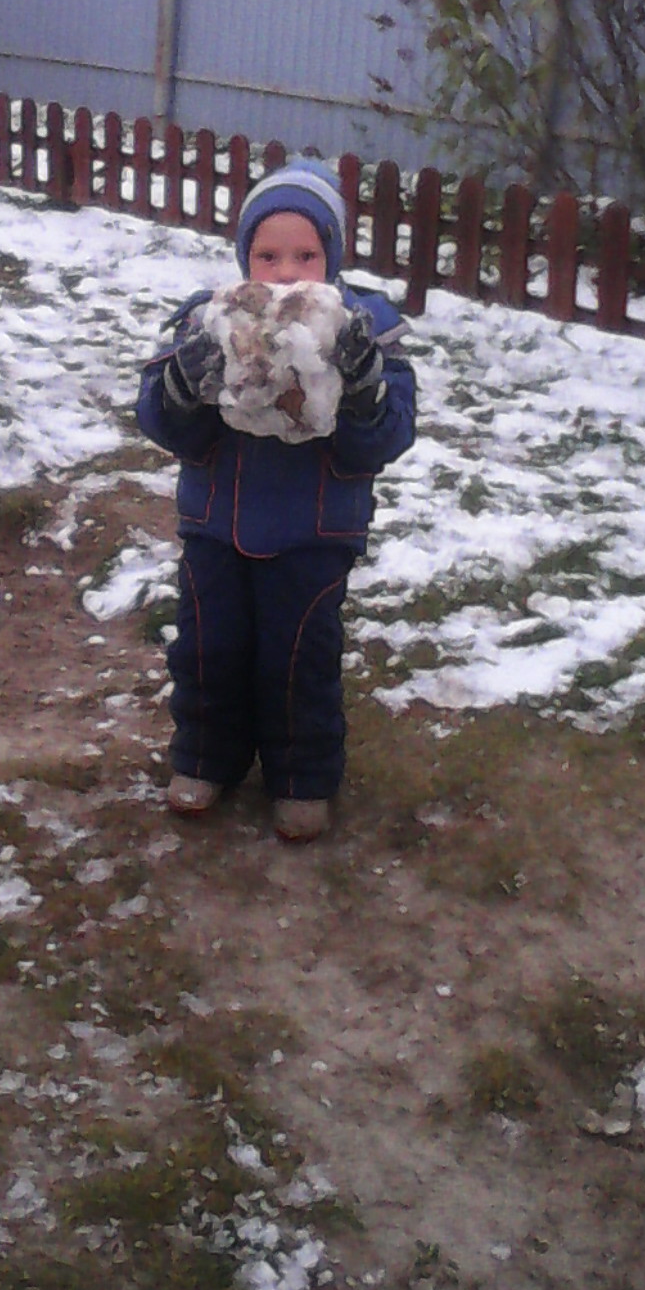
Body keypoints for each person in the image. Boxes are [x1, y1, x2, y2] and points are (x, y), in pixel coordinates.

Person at [137, 158, 416, 840]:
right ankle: (206, 758)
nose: (286, 273)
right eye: (268, 256)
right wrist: (182, 388)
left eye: (305, 256)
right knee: (209, 649)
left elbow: (385, 438)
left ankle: (301, 776)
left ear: (332, 257)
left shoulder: (362, 329)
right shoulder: (210, 320)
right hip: (217, 526)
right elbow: (168, 426)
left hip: (312, 535)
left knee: (298, 658)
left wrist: (364, 388)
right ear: (245, 257)